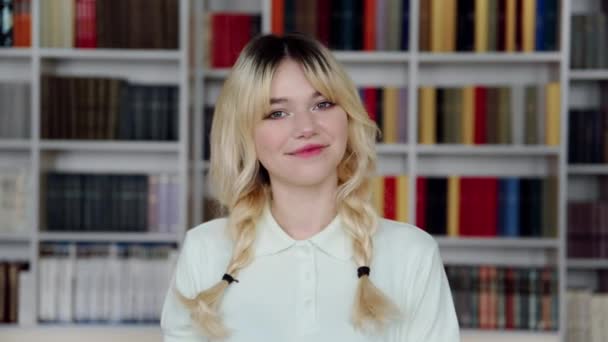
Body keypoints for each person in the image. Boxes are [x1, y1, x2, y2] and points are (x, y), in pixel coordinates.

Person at [161, 33, 460, 342]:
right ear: (245, 135)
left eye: (322, 104)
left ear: (348, 117)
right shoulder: (204, 250)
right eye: (277, 113)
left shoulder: (413, 254)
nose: (306, 128)